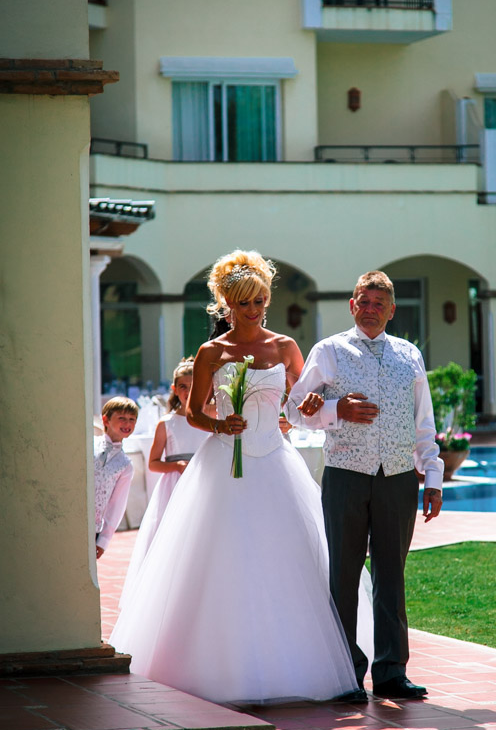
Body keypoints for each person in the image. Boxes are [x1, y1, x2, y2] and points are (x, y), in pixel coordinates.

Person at [110, 250, 358, 705]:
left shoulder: (285, 347)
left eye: (260, 300)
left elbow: (305, 401)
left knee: (285, 557)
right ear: (227, 304)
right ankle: (217, 668)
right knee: (222, 558)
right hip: (223, 464)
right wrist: (221, 425)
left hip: (275, 463)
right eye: (244, 303)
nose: (255, 310)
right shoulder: (211, 352)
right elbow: (194, 411)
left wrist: (299, 412)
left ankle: (296, 667)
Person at [285, 271, 444, 702]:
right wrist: (336, 409)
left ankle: (392, 672)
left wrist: (432, 478)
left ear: (392, 310)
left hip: (396, 478)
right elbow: (294, 411)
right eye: (364, 301)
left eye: (379, 303)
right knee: (344, 575)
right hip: (346, 477)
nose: (371, 309)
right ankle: (344, 674)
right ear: (352, 306)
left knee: (392, 576)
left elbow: (423, 423)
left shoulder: (409, 355)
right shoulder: (329, 350)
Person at [119, 358, 210, 605]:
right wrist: (177, 466)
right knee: (172, 537)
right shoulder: (166, 423)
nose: (188, 391)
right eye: (182, 386)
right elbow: (153, 463)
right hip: (175, 486)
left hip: (204, 484)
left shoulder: (210, 419)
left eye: (193, 385)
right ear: (174, 389)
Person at [94, 397, 138, 559]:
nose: (127, 424)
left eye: (132, 420)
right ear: (105, 419)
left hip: (94, 527)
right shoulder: (89, 444)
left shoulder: (125, 465)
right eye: (122, 418)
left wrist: (103, 540)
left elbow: (117, 505)